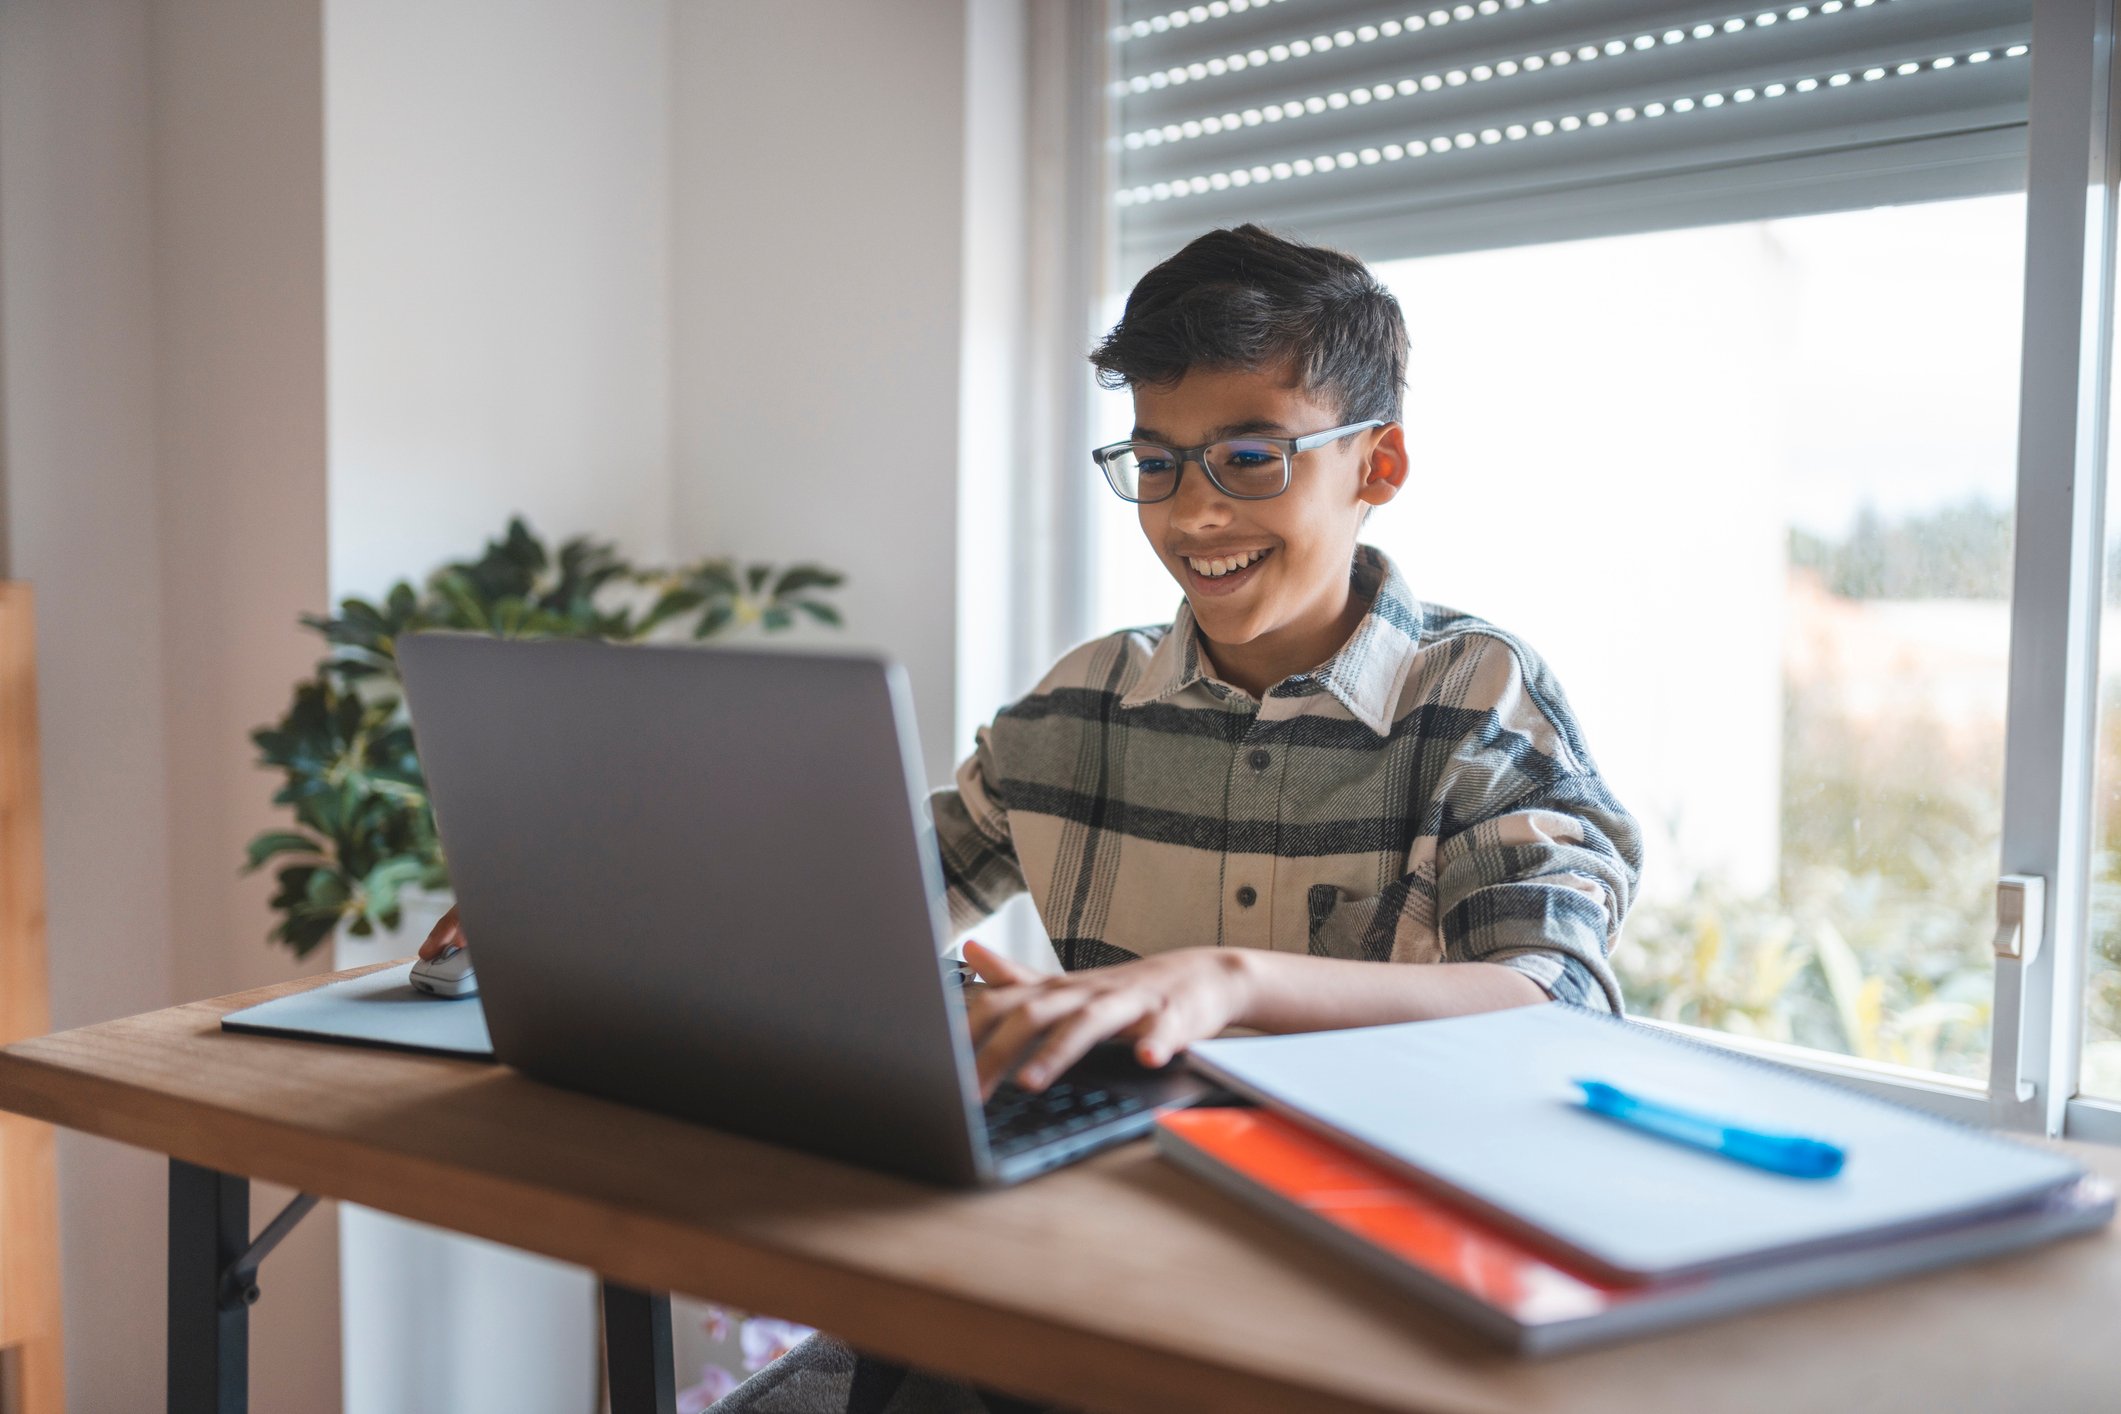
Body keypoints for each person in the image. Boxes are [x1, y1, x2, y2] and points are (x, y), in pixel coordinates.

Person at [419, 225, 1642, 1411]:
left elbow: (1556, 1002)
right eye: (1156, 461)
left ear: (1377, 465)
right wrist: (595, 911)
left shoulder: (1479, 699)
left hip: (1353, 1316)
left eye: (1250, 456)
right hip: (1081, 1278)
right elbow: (860, 911)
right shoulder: (1077, 708)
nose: (1193, 514)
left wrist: (1223, 982)